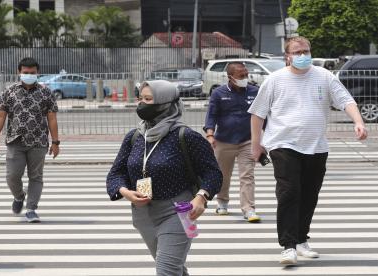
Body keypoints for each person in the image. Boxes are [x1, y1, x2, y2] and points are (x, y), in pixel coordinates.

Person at [248, 36, 368, 265]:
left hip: (316, 146)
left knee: (309, 195)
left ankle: (302, 239)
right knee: (289, 192)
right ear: (288, 56)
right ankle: (288, 245)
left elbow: (346, 100)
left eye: (305, 51)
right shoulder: (275, 80)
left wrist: (358, 121)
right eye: (297, 52)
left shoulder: (324, 76)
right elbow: (258, 114)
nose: (302, 55)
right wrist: (257, 144)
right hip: (283, 144)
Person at [106, 80, 222, 276]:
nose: (142, 104)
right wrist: (126, 192)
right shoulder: (134, 137)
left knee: (166, 270)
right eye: (140, 98)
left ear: (166, 103)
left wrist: (201, 197)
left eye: (149, 99)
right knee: (174, 268)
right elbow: (115, 174)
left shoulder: (186, 136)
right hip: (143, 215)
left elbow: (213, 173)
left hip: (178, 211)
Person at [0, 57, 59, 223]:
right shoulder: (9, 92)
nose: (29, 75)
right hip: (15, 141)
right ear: (19, 72)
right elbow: (0, 116)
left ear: (38, 73)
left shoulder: (46, 93)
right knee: (12, 176)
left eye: (32, 73)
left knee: (36, 176)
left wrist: (56, 142)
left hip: (38, 142)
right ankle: (19, 196)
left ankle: (31, 209)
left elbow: (52, 119)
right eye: (25, 72)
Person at [204, 62, 261, 222]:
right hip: (223, 141)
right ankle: (222, 202)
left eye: (246, 75)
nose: (245, 78)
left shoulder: (255, 92)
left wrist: (264, 139)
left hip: (247, 141)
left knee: (247, 176)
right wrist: (210, 134)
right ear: (230, 77)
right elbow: (211, 115)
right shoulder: (218, 93)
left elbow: (263, 115)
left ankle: (249, 209)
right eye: (241, 76)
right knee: (223, 175)